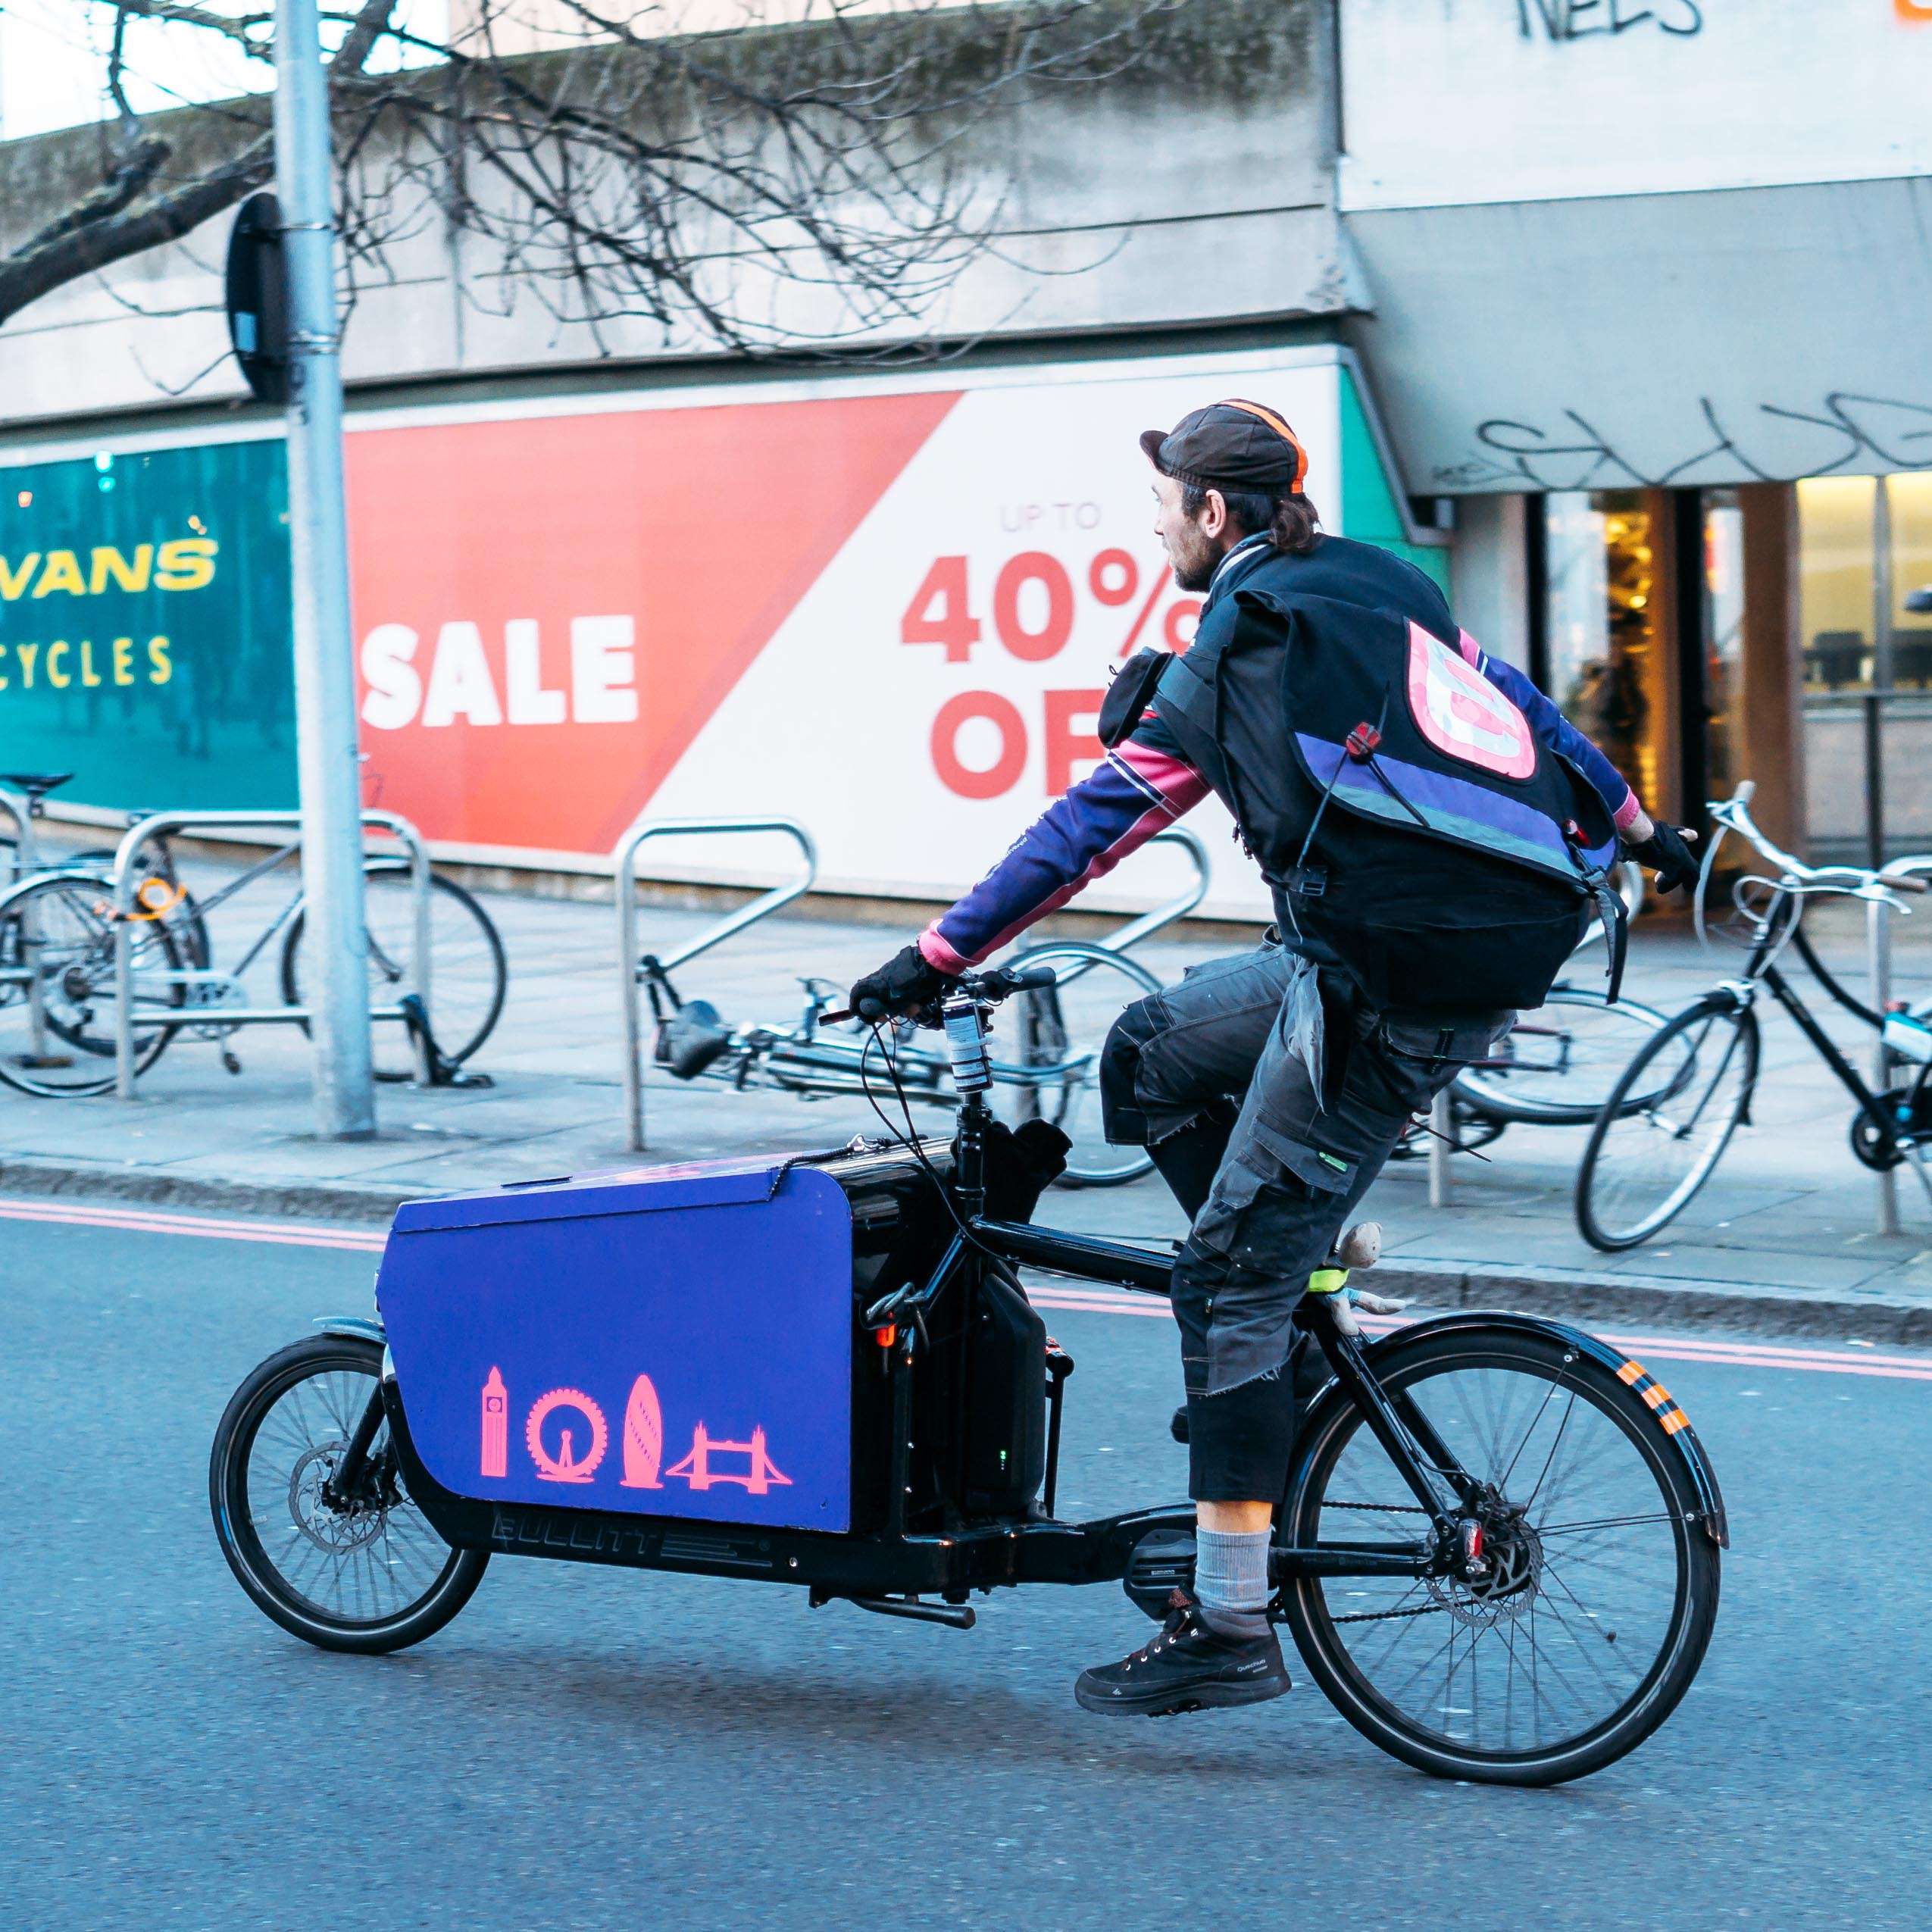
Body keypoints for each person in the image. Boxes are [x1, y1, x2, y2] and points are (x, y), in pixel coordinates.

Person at [849, 399, 1700, 1718]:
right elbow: (1528, 709)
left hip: (1382, 990)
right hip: (1386, 958)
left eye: (1163, 505)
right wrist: (1640, 826)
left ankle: (1230, 1617)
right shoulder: (1376, 580)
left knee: (1224, 1284)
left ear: (1210, 513)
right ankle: (1295, 1304)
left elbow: (1089, 830)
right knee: (1145, 1055)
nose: (1153, 526)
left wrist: (936, 957)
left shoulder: (1236, 638)